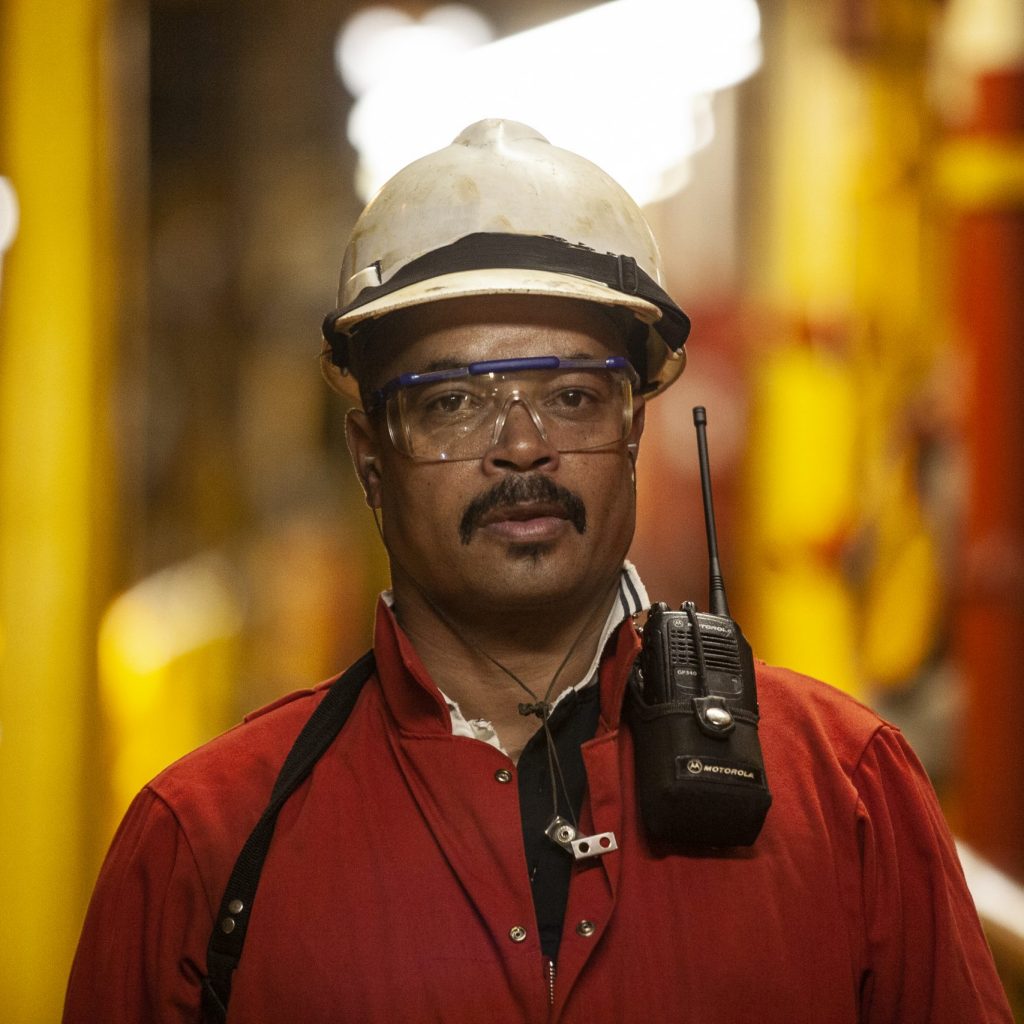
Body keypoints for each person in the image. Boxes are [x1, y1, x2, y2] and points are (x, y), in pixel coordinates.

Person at [64, 119, 1012, 1023]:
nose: (523, 445)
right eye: (451, 404)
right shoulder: (206, 847)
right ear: (369, 461)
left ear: (635, 433)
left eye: (571, 395)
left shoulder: (846, 795)